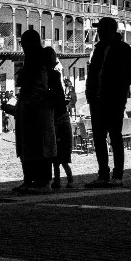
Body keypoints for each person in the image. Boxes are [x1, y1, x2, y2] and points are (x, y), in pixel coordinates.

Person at [3, 30, 57, 193]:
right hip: (29, 112)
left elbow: (40, 87)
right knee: (28, 148)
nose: (23, 47)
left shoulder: (38, 61)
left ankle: (43, 182)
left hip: (38, 113)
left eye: (25, 43)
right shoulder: (30, 61)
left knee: (40, 148)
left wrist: (30, 105)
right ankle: (29, 180)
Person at [85, 17, 131, 188]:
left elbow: (126, 77)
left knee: (115, 137)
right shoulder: (98, 49)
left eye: (101, 30)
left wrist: (117, 97)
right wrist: (90, 95)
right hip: (96, 101)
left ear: (111, 31)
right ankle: (103, 174)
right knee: (99, 138)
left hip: (113, 101)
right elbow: (92, 73)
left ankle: (118, 175)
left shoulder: (124, 49)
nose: (98, 33)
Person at [43, 48, 74, 189]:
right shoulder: (55, 76)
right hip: (60, 118)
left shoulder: (51, 77)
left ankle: (63, 180)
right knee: (58, 160)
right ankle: (59, 180)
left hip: (57, 119)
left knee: (57, 159)